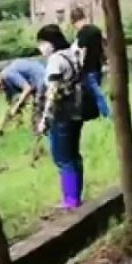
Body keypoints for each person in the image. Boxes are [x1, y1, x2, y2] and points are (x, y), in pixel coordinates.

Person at [35, 25, 90, 211]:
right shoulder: (72, 54)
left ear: (50, 43)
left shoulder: (55, 61)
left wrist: (44, 120)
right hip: (77, 111)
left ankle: (70, 200)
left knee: (63, 159)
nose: (40, 48)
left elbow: (53, 93)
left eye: (41, 43)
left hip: (61, 115)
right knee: (74, 155)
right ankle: (75, 196)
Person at [0, 58, 46, 135]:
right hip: (37, 85)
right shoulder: (6, 85)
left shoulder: (8, 74)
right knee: (37, 121)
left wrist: (16, 106)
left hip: (42, 79)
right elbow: (9, 108)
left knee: (39, 118)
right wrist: (0, 128)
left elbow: (27, 88)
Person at [69, 7, 111, 118]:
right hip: (98, 67)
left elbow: (83, 51)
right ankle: (96, 113)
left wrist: (79, 66)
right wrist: (107, 61)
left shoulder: (82, 33)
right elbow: (104, 44)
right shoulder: (96, 29)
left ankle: (108, 114)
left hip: (88, 70)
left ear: (74, 21)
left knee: (96, 94)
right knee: (94, 93)